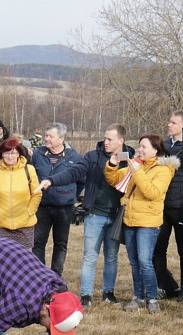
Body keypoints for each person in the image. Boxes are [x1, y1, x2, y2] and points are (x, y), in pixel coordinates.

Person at [36, 124, 134, 307]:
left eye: (110, 139)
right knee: (90, 255)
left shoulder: (131, 158)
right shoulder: (92, 157)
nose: (105, 142)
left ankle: (108, 293)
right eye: (105, 138)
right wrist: (52, 180)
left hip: (117, 216)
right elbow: (74, 172)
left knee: (111, 256)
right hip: (95, 214)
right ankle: (86, 295)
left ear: (121, 140)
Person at [104, 134, 178, 313]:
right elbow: (114, 180)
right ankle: (138, 297)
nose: (140, 150)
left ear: (156, 150)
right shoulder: (137, 164)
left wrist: (136, 171)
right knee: (134, 262)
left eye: (144, 147)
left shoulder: (164, 169)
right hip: (130, 219)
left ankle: (152, 298)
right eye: (139, 146)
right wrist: (113, 163)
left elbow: (151, 192)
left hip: (148, 222)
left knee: (145, 261)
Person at [154, 111, 183, 301]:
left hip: (180, 207)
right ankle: (163, 285)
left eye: (173, 122)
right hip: (162, 206)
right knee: (159, 248)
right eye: (169, 121)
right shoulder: (163, 146)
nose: (169, 125)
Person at [31, 123, 83, 276]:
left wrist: (71, 195)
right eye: (46, 135)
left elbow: (81, 180)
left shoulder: (74, 156)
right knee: (38, 242)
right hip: (42, 206)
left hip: (64, 208)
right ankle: (40, 276)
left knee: (60, 244)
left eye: (50, 136)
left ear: (61, 139)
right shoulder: (37, 154)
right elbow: (31, 175)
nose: (46, 139)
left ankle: (55, 277)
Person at [0, 137, 41, 249]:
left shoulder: (29, 170)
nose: (10, 156)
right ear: (1, 154)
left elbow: (36, 194)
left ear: (19, 154)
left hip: (25, 225)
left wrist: (29, 212)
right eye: (6, 153)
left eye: (13, 153)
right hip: (3, 225)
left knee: (25, 261)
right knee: (3, 261)